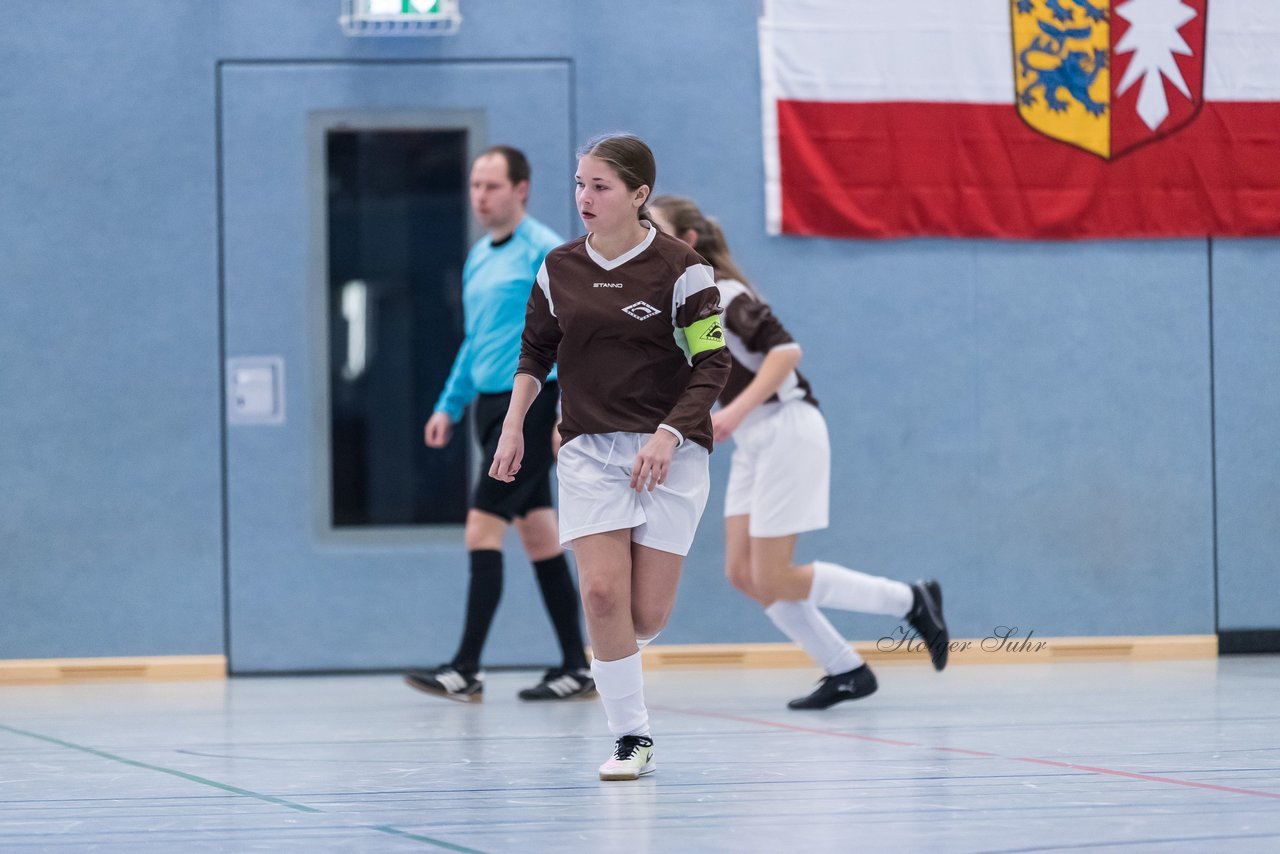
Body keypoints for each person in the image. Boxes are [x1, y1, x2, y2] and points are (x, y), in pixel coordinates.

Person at [490, 135, 731, 780]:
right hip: (589, 450)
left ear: (638, 195)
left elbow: (713, 363)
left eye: (600, 187)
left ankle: (616, 658)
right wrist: (514, 427)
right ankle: (632, 737)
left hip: (669, 455)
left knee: (643, 614)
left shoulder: (682, 269)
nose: (584, 198)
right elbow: (534, 355)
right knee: (600, 594)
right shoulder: (557, 268)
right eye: (578, 184)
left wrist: (669, 435)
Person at [648, 195, 949, 710]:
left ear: (688, 242)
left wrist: (736, 412)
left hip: (788, 427)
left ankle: (910, 599)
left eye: (656, 229)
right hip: (754, 439)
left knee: (772, 574)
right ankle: (846, 668)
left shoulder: (727, 292)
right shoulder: (688, 306)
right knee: (743, 573)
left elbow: (787, 352)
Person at [405, 145, 594, 704]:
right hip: (489, 409)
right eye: (475, 186)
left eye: (491, 186)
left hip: (532, 406)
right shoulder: (478, 257)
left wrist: (567, 412)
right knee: (538, 537)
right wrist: (448, 404)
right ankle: (574, 668)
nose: (480, 197)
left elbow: (575, 335)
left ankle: (464, 668)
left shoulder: (546, 252)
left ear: (521, 190)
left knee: (481, 527)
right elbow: (476, 340)